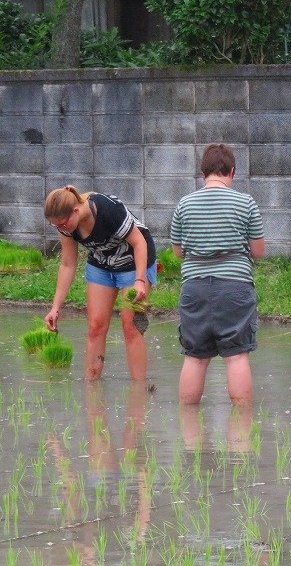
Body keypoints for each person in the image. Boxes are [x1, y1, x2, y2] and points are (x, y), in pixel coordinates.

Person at [171, 143, 264, 405]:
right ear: (232, 172)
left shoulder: (184, 204)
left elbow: (178, 253)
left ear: (203, 174)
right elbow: (258, 250)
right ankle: (242, 438)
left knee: (195, 357)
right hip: (235, 287)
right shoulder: (245, 202)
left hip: (195, 288)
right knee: (236, 356)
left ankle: (189, 436)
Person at [43, 186, 156, 381]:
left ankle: (138, 394)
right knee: (95, 327)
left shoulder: (108, 209)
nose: (60, 230)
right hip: (101, 265)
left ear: (75, 212)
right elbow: (68, 264)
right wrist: (55, 308)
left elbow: (140, 243)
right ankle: (92, 391)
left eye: (61, 225)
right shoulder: (66, 225)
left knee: (131, 327)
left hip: (135, 263)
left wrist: (139, 281)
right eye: (55, 227)